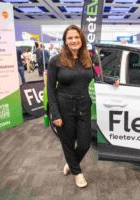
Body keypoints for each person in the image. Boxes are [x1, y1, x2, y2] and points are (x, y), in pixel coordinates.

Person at [47, 25, 94, 188]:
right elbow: (50, 89)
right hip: (64, 106)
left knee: (84, 144)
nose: (74, 40)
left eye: (76, 37)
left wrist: (112, 81)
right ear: (65, 41)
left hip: (84, 106)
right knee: (67, 142)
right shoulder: (56, 61)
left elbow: (99, 75)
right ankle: (77, 173)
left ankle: (71, 163)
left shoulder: (88, 58)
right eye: (70, 38)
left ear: (81, 39)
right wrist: (55, 114)